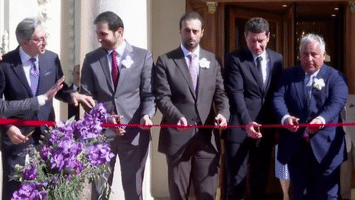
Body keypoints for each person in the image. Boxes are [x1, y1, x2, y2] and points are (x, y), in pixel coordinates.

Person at [0, 17, 95, 200]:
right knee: (15, 189)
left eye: (45, 37)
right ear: (25, 42)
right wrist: (7, 127)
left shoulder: (51, 59)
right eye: (39, 39)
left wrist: (71, 95)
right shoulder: (5, 64)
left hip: (47, 137)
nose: (45, 42)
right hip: (17, 137)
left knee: (47, 189)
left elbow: (58, 90)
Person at [153, 11, 229, 200]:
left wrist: (223, 114)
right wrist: (176, 116)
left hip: (207, 137)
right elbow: (162, 97)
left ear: (202, 32)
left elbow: (221, 94)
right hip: (178, 137)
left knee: (207, 193)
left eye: (195, 31)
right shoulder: (166, 61)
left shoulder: (213, 61)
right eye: (187, 30)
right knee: (178, 193)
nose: (191, 35)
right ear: (180, 31)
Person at [80, 11, 155, 200]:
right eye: (97, 33)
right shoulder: (91, 59)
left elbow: (149, 93)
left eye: (103, 34)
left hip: (134, 133)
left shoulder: (142, 56)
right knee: (99, 189)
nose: (99, 38)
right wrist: (105, 117)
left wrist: (147, 115)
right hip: (102, 135)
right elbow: (86, 97)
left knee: (133, 189)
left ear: (119, 32)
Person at [273, 33, 348, 200]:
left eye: (314, 54)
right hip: (296, 147)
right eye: (305, 54)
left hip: (326, 148)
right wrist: (285, 118)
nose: (309, 59)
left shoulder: (336, 77)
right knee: (299, 195)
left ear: (323, 55)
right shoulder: (288, 76)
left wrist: (321, 120)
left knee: (328, 195)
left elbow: (336, 103)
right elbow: (278, 98)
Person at [223, 17, 283, 200]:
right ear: (245, 37)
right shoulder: (235, 58)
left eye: (261, 40)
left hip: (264, 129)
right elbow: (236, 94)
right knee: (236, 183)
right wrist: (247, 122)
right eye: (252, 40)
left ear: (268, 37)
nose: (257, 45)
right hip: (239, 128)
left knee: (259, 182)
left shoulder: (277, 59)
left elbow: (277, 93)